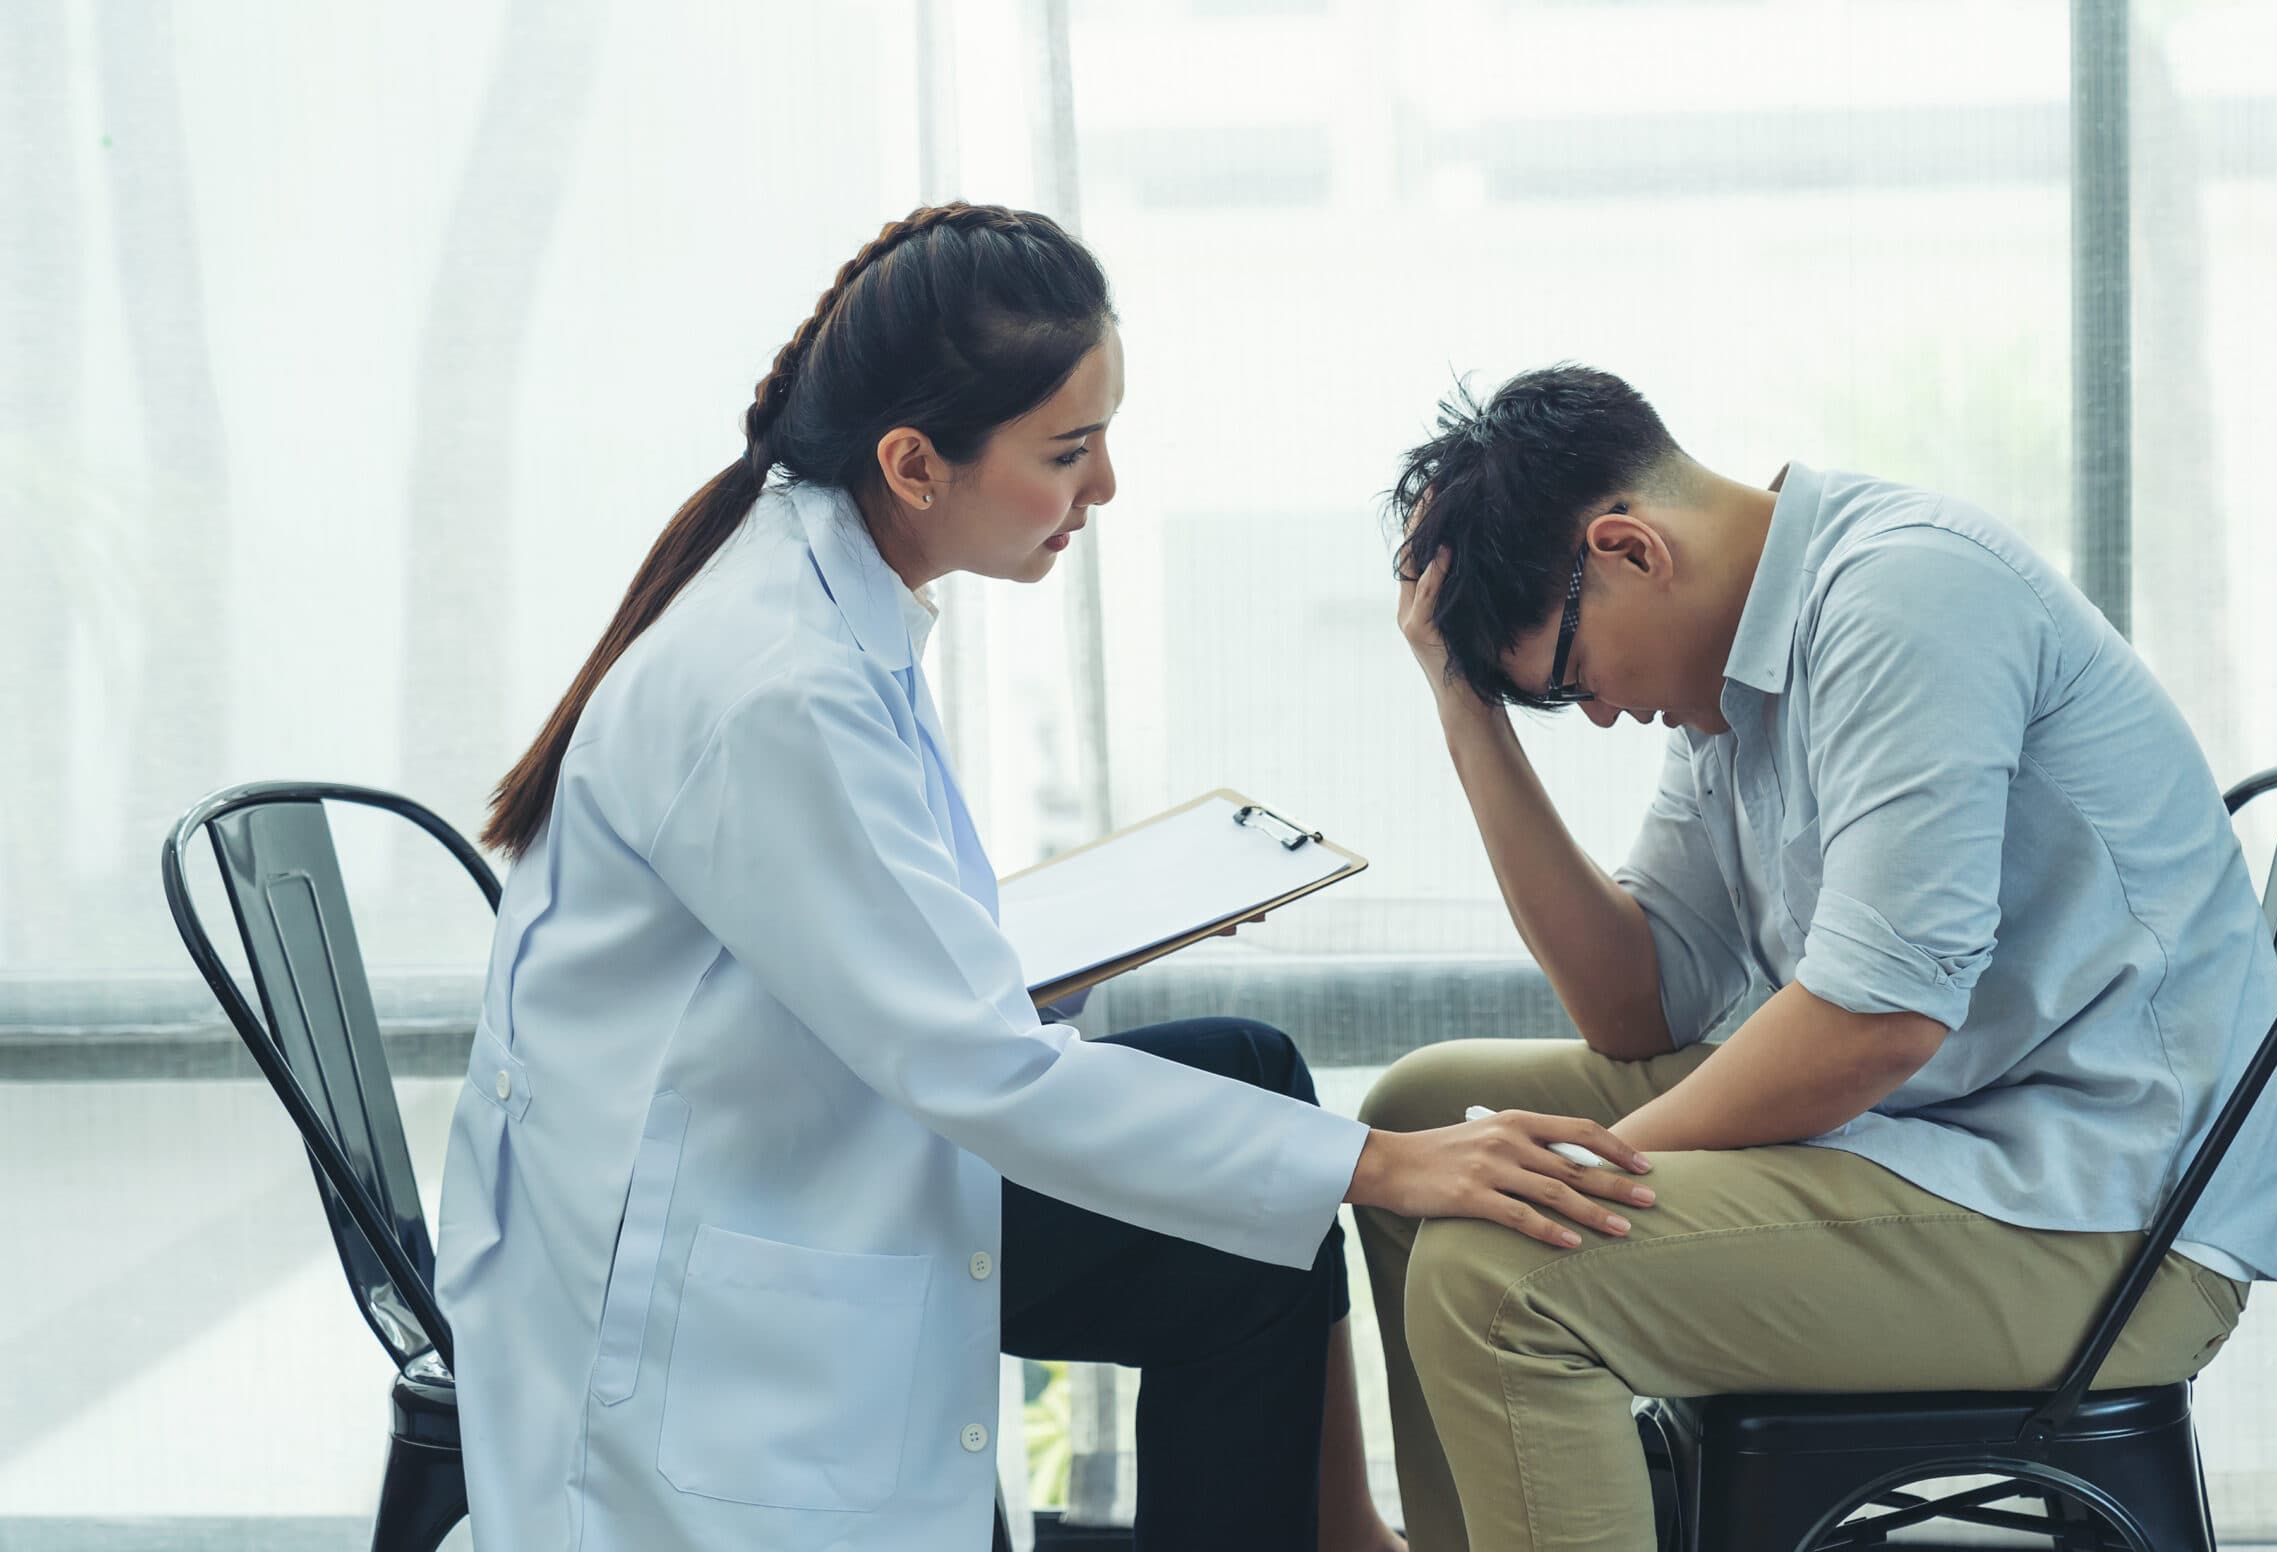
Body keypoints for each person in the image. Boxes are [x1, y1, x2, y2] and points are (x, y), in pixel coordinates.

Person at [432, 205, 1657, 1552]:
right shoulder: (777, 683)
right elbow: (981, 1073)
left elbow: (864, 952)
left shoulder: (824, 592)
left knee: (1245, 1074)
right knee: (1269, 1206)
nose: (1106, 488)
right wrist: (1390, 1164)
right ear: (913, 463)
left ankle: (1333, 1529)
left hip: (804, 1134)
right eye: (1068, 452)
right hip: (718, 1237)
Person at [1356, 365, 2277, 1550]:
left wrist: (1579, 1174)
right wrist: (1463, 708)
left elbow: (1876, 1022)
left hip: (2098, 1213)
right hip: (1943, 1135)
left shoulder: (1903, 597)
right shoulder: (1733, 678)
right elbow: (1634, 1008)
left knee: (1502, 1261)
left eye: (1577, 681)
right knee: (1418, 1119)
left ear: (1630, 549)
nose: (1595, 715)